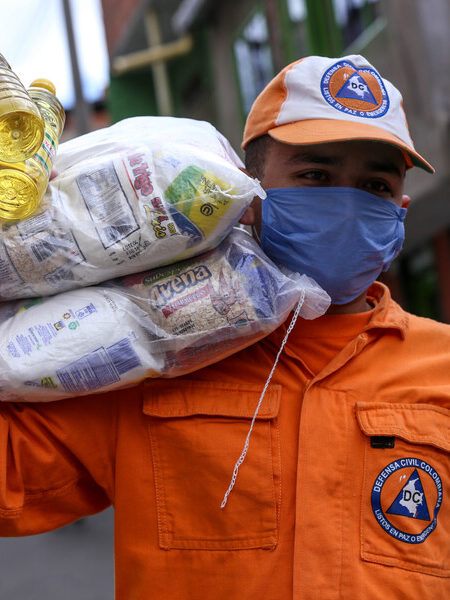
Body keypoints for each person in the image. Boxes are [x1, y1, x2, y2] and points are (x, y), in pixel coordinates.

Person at [0, 54, 448, 599]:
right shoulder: (158, 347)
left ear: (400, 212)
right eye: (315, 175)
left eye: (374, 187)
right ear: (248, 190)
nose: (346, 205)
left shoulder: (441, 370)